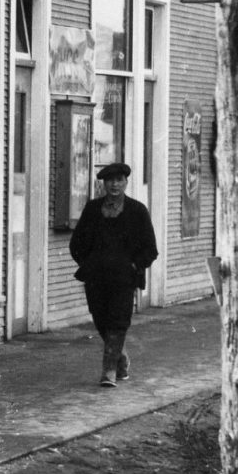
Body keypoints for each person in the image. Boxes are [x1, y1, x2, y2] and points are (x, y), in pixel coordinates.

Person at [69, 161, 158, 387]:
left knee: (118, 322)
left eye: (119, 180)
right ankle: (120, 358)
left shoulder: (137, 211)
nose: (114, 185)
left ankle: (108, 372)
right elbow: (77, 243)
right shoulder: (92, 209)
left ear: (126, 182)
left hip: (123, 279)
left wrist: (133, 266)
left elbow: (150, 249)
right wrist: (88, 263)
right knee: (100, 320)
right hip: (96, 278)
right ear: (104, 184)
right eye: (110, 181)